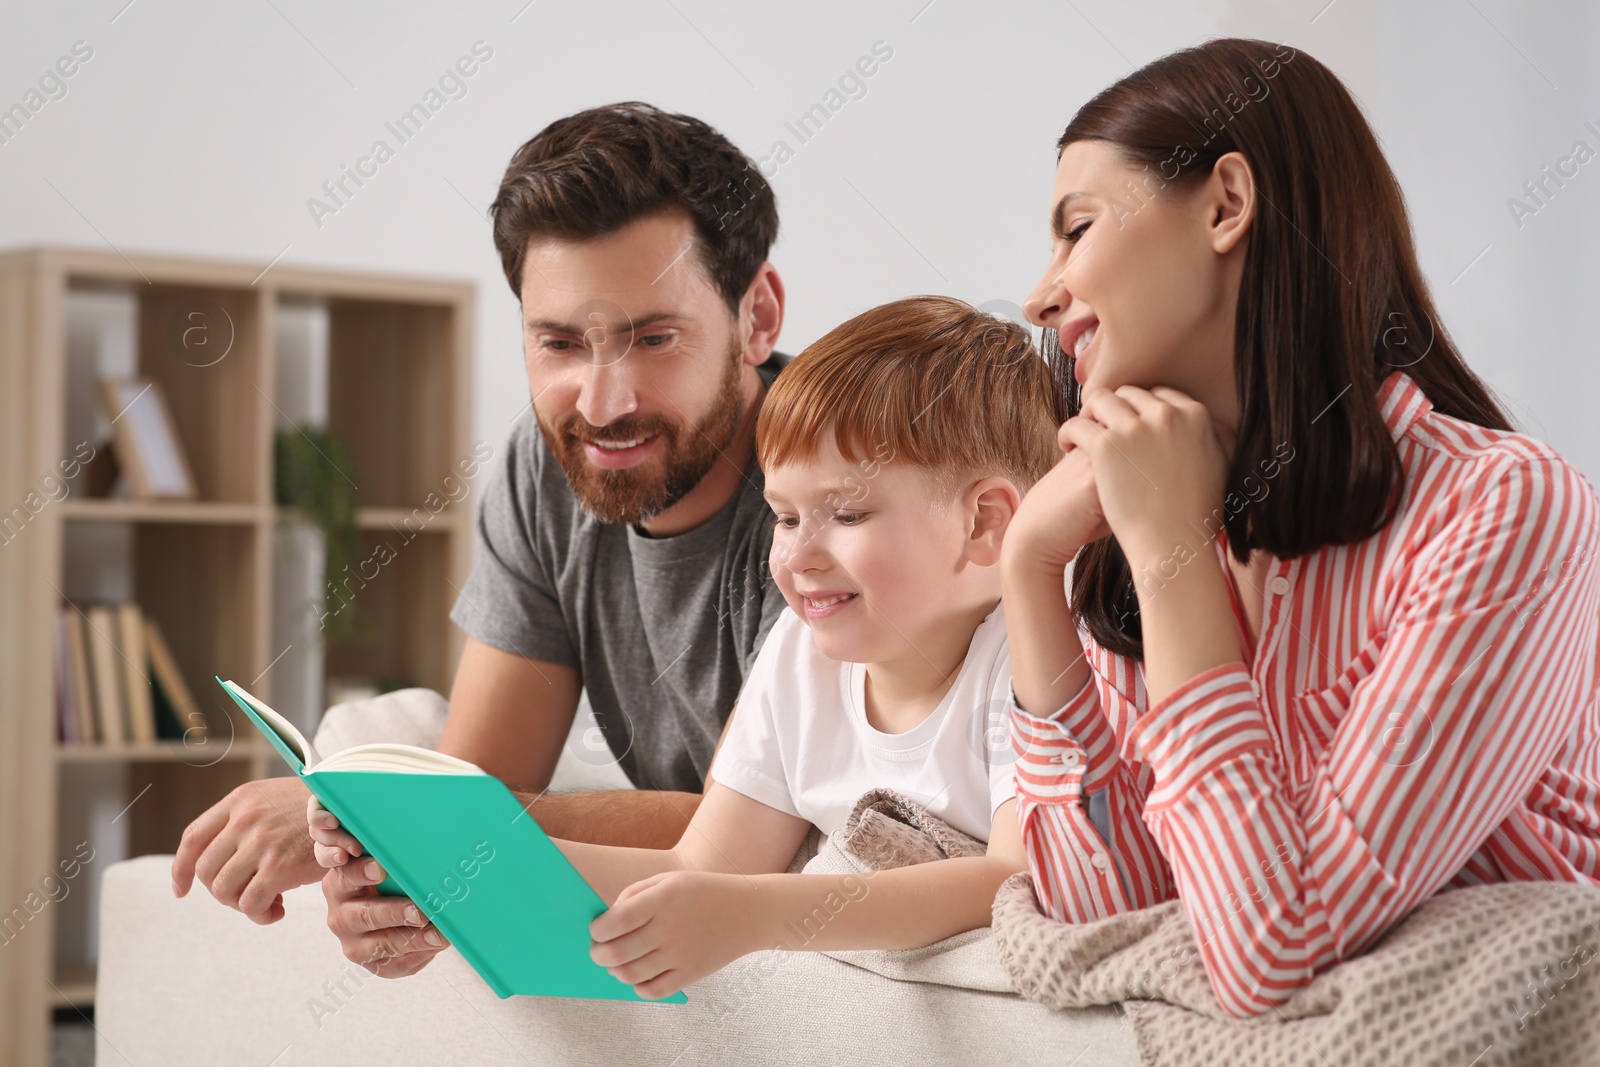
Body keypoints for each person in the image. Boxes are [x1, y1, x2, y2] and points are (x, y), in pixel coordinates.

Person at [1002, 36, 1600, 1019]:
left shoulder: (1505, 510)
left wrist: (1171, 555)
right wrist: (1031, 567)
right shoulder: (1131, 530)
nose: (1040, 291)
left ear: (1226, 205)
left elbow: (1271, 949)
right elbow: (1107, 920)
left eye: (1078, 227)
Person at [309, 295, 1068, 993]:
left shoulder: (1030, 653)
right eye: (784, 515)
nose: (799, 557)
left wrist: (757, 915)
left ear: (985, 524)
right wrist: (450, 872)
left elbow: (1008, 877)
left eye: (848, 513)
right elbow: (696, 867)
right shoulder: (799, 656)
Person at [171, 102, 793, 929]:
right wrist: (397, 883)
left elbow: (770, 835)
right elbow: (483, 780)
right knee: (372, 745)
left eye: (654, 338)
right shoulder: (546, 466)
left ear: (757, 318)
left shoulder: (831, 487)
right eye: (561, 344)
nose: (603, 403)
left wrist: (385, 822)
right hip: (658, 837)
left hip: (797, 863)